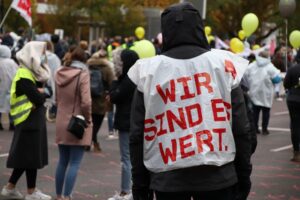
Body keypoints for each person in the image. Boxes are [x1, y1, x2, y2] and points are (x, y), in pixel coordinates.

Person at [128, 2, 252, 200]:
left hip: (168, 179)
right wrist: (243, 174)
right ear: (199, 28)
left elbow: (137, 135)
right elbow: (241, 127)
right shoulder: (222, 66)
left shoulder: (149, 73)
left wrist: (140, 186)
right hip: (218, 177)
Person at [1, 41, 52, 200]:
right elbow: (38, 98)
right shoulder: (24, 74)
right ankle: (31, 192)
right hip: (28, 118)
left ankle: (10, 187)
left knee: (27, 156)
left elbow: (46, 92)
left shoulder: (31, 72)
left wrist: (43, 92)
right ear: (33, 55)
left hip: (31, 119)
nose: (44, 56)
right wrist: (43, 92)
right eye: (41, 53)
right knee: (30, 156)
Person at [54, 46, 93, 200]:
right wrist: (88, 118)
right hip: (77, 121)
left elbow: (57, 99)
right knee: (75, 162)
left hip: (61, 119)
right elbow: (86, 102)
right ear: (84, 60)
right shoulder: (83, 74)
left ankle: (58, 195)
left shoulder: (59, 72)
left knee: (62, 160)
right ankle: (67, 195)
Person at [107, 49, 139, 200]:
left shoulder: (127, 80)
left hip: (127, 122)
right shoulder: (135, 77)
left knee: (126, 158)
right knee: (132, 158)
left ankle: (126, 191)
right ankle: (130, 190)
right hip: (134, 121)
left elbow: (114, 96)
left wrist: (114, 81)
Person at [244, 51, 281, 135]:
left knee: (255, 113)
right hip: (266, 93)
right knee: (266, 112)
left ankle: (255, 128)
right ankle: (264, 129)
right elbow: (276, 79)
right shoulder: (270, 66)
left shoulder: (252, 66)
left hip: (254, 91)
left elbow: (245, 76)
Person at [87, 49, 115, 152]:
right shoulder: (107, 69)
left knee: (90, 121)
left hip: (88, 98)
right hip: (101, 99)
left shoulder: (88, 68)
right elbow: (112, 83)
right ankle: (92, 140)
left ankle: (89, 141)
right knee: (98, 121)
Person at [284, 60, 300, 162]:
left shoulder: (292, 69)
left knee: (295, 125)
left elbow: (286, 84)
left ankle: (296, 153)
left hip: (294, 99)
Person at [0, 45, 18, 131]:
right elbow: (17, 73)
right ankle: (12, 123)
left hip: (1, 87)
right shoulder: (12, 62)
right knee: (12, 105)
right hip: (11, 86)